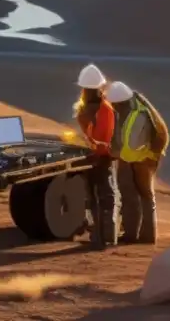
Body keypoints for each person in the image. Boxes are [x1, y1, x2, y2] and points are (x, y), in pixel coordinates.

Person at [106, 81, 169, 246]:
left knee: (146, 196)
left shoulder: (138, 115)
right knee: (129, 195)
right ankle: (130, 234)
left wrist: (116, 152)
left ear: (120, 103)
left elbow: (133, 144)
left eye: (114, 104)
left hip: (143, 161)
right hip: (130, 159)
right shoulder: (126, 112)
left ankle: (147, 236)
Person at [75, 63, 119, 249]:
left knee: (95, 197)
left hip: (95, 157)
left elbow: (95, 136)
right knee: (105, 196)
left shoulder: (87, 109)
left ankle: (100, 235)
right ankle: (104, 236)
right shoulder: (105, 109)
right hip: (102, 157)